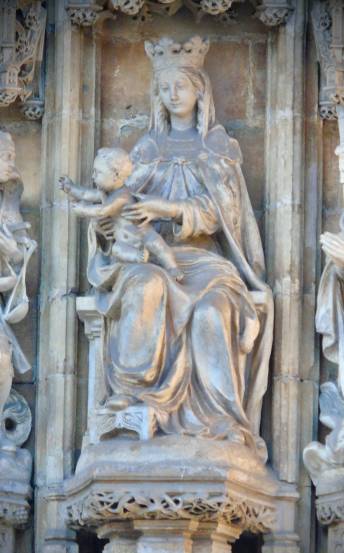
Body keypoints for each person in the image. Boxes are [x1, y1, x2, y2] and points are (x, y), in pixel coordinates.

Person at [86, 37, 273, 458]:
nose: (172, 94)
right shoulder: (146, 152)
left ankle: (221, 422)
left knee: (211, 314)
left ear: (199, 92)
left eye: (180, 86)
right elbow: (119, 207)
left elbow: (221, 215)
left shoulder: (218, 149)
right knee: (145, 288)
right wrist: (105, 225)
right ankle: (132, 399)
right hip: (153, 258)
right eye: (164, 87)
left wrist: (165, 207)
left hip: (207, 263)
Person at [59, 147, 183, 280]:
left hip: (143, 235)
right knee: (116, 250)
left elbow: (103, 210)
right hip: (125, 242)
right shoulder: (105, 192)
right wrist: (71, 188)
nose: (92, 176)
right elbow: (86, 194)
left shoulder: (122, 196)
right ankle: (138, 257)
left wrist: (83, 211)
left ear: (116, 175)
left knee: (159, 246)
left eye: (98, 172)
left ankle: (173, 268)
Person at [0, 131, 36, 416]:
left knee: (1, 359)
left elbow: (15, 259)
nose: (11, 163)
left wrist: (14, 253)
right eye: (5, 156)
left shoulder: (7, 208)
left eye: (12, 156)